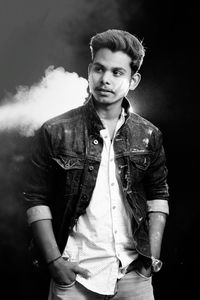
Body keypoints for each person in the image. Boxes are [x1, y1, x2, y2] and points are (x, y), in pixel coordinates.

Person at [23, 29, 169, 300]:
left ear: (133, 80)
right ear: (90, 70)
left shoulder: (149, 134)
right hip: (75, 276)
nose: (105, 79)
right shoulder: (55, 131)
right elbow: (35, 199)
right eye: (99, 69)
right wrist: (55, 263)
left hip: (133, 273)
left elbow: (158, 196)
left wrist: (153, 258)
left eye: (117, 73)